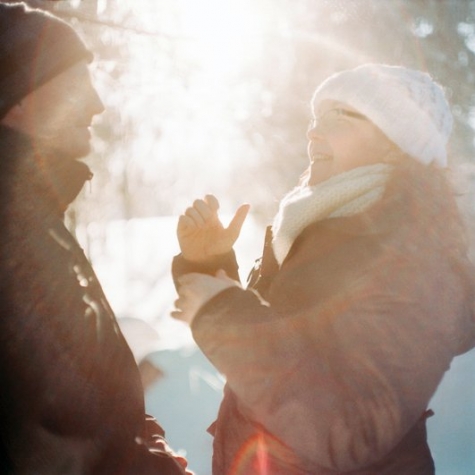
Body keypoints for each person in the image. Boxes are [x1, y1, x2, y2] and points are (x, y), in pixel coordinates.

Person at [172, 63, 475, 474]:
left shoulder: (418, 259)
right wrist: (208, 265)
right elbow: (267, 362)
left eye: (340, 116)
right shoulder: (314, 224)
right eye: (316, 117)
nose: (313, 131)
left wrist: (222, 313)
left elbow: (348, 429)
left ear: (397, 142)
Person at [0, 3, 191, 474]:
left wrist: (145, 443)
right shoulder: (13, 229)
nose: (96, 103)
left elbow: (84, 393)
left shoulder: (33, 215)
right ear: (18, 96)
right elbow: (53, 431)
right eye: (75, 79)